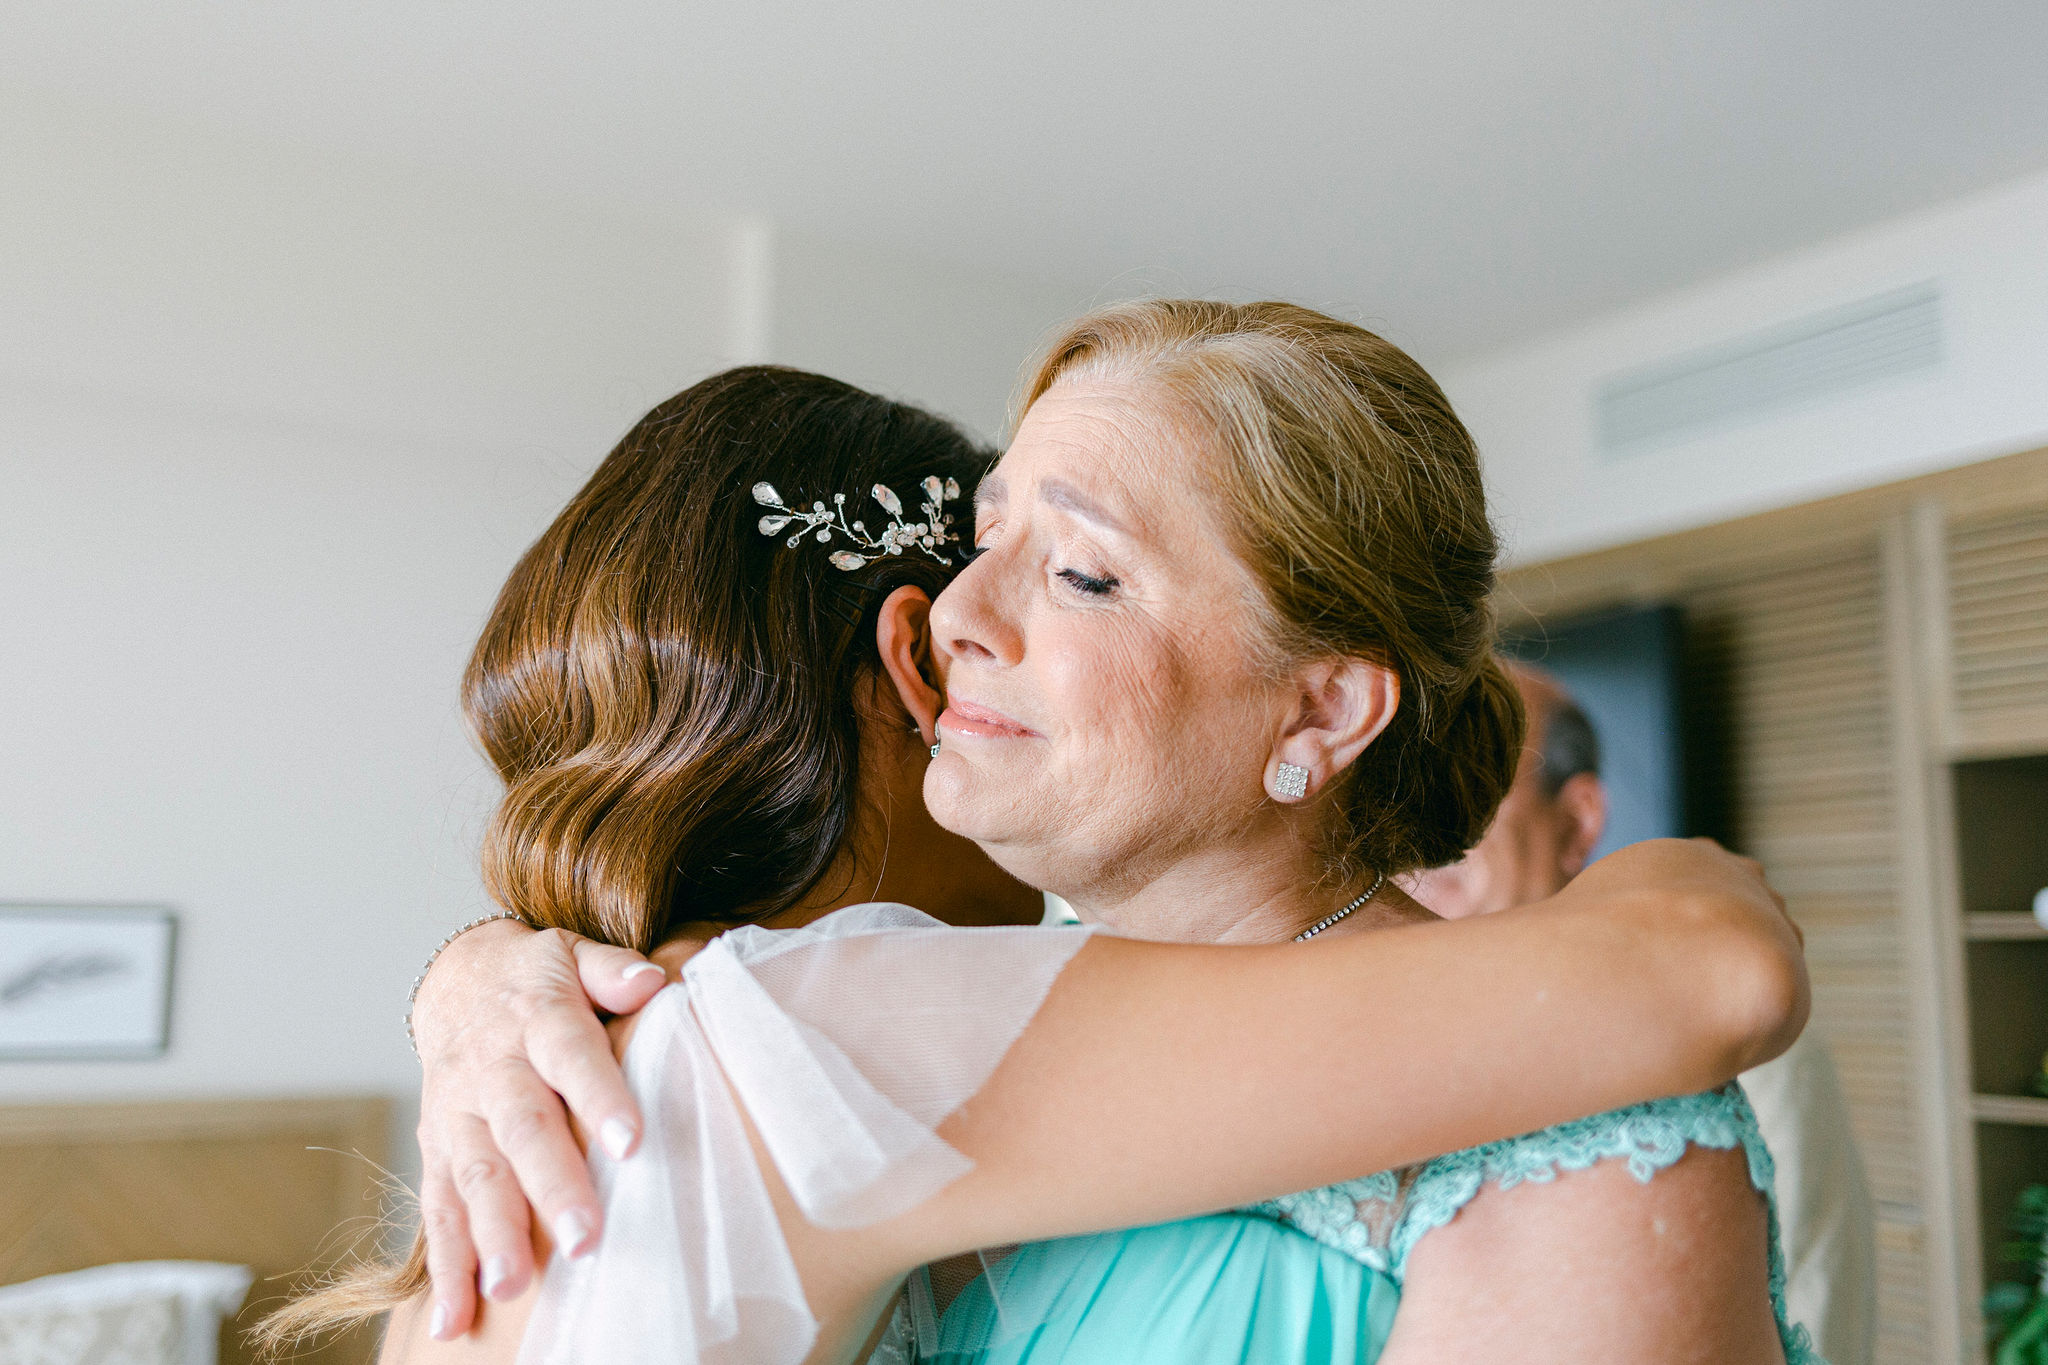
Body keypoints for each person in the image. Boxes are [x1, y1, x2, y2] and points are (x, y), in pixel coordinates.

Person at [285, 308, 1816, 1364]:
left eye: (1080, 571)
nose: (953, 620)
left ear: (1321, 710)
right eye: (983, 542)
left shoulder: (1578, 1131)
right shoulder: (844, 1040)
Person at [1406, 660, 1878, 1365]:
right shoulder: (1395, 1030)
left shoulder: (1730, 1035)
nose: (1421, 827)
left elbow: (1812, 1301)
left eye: (1468, 780)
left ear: (1578, 820)